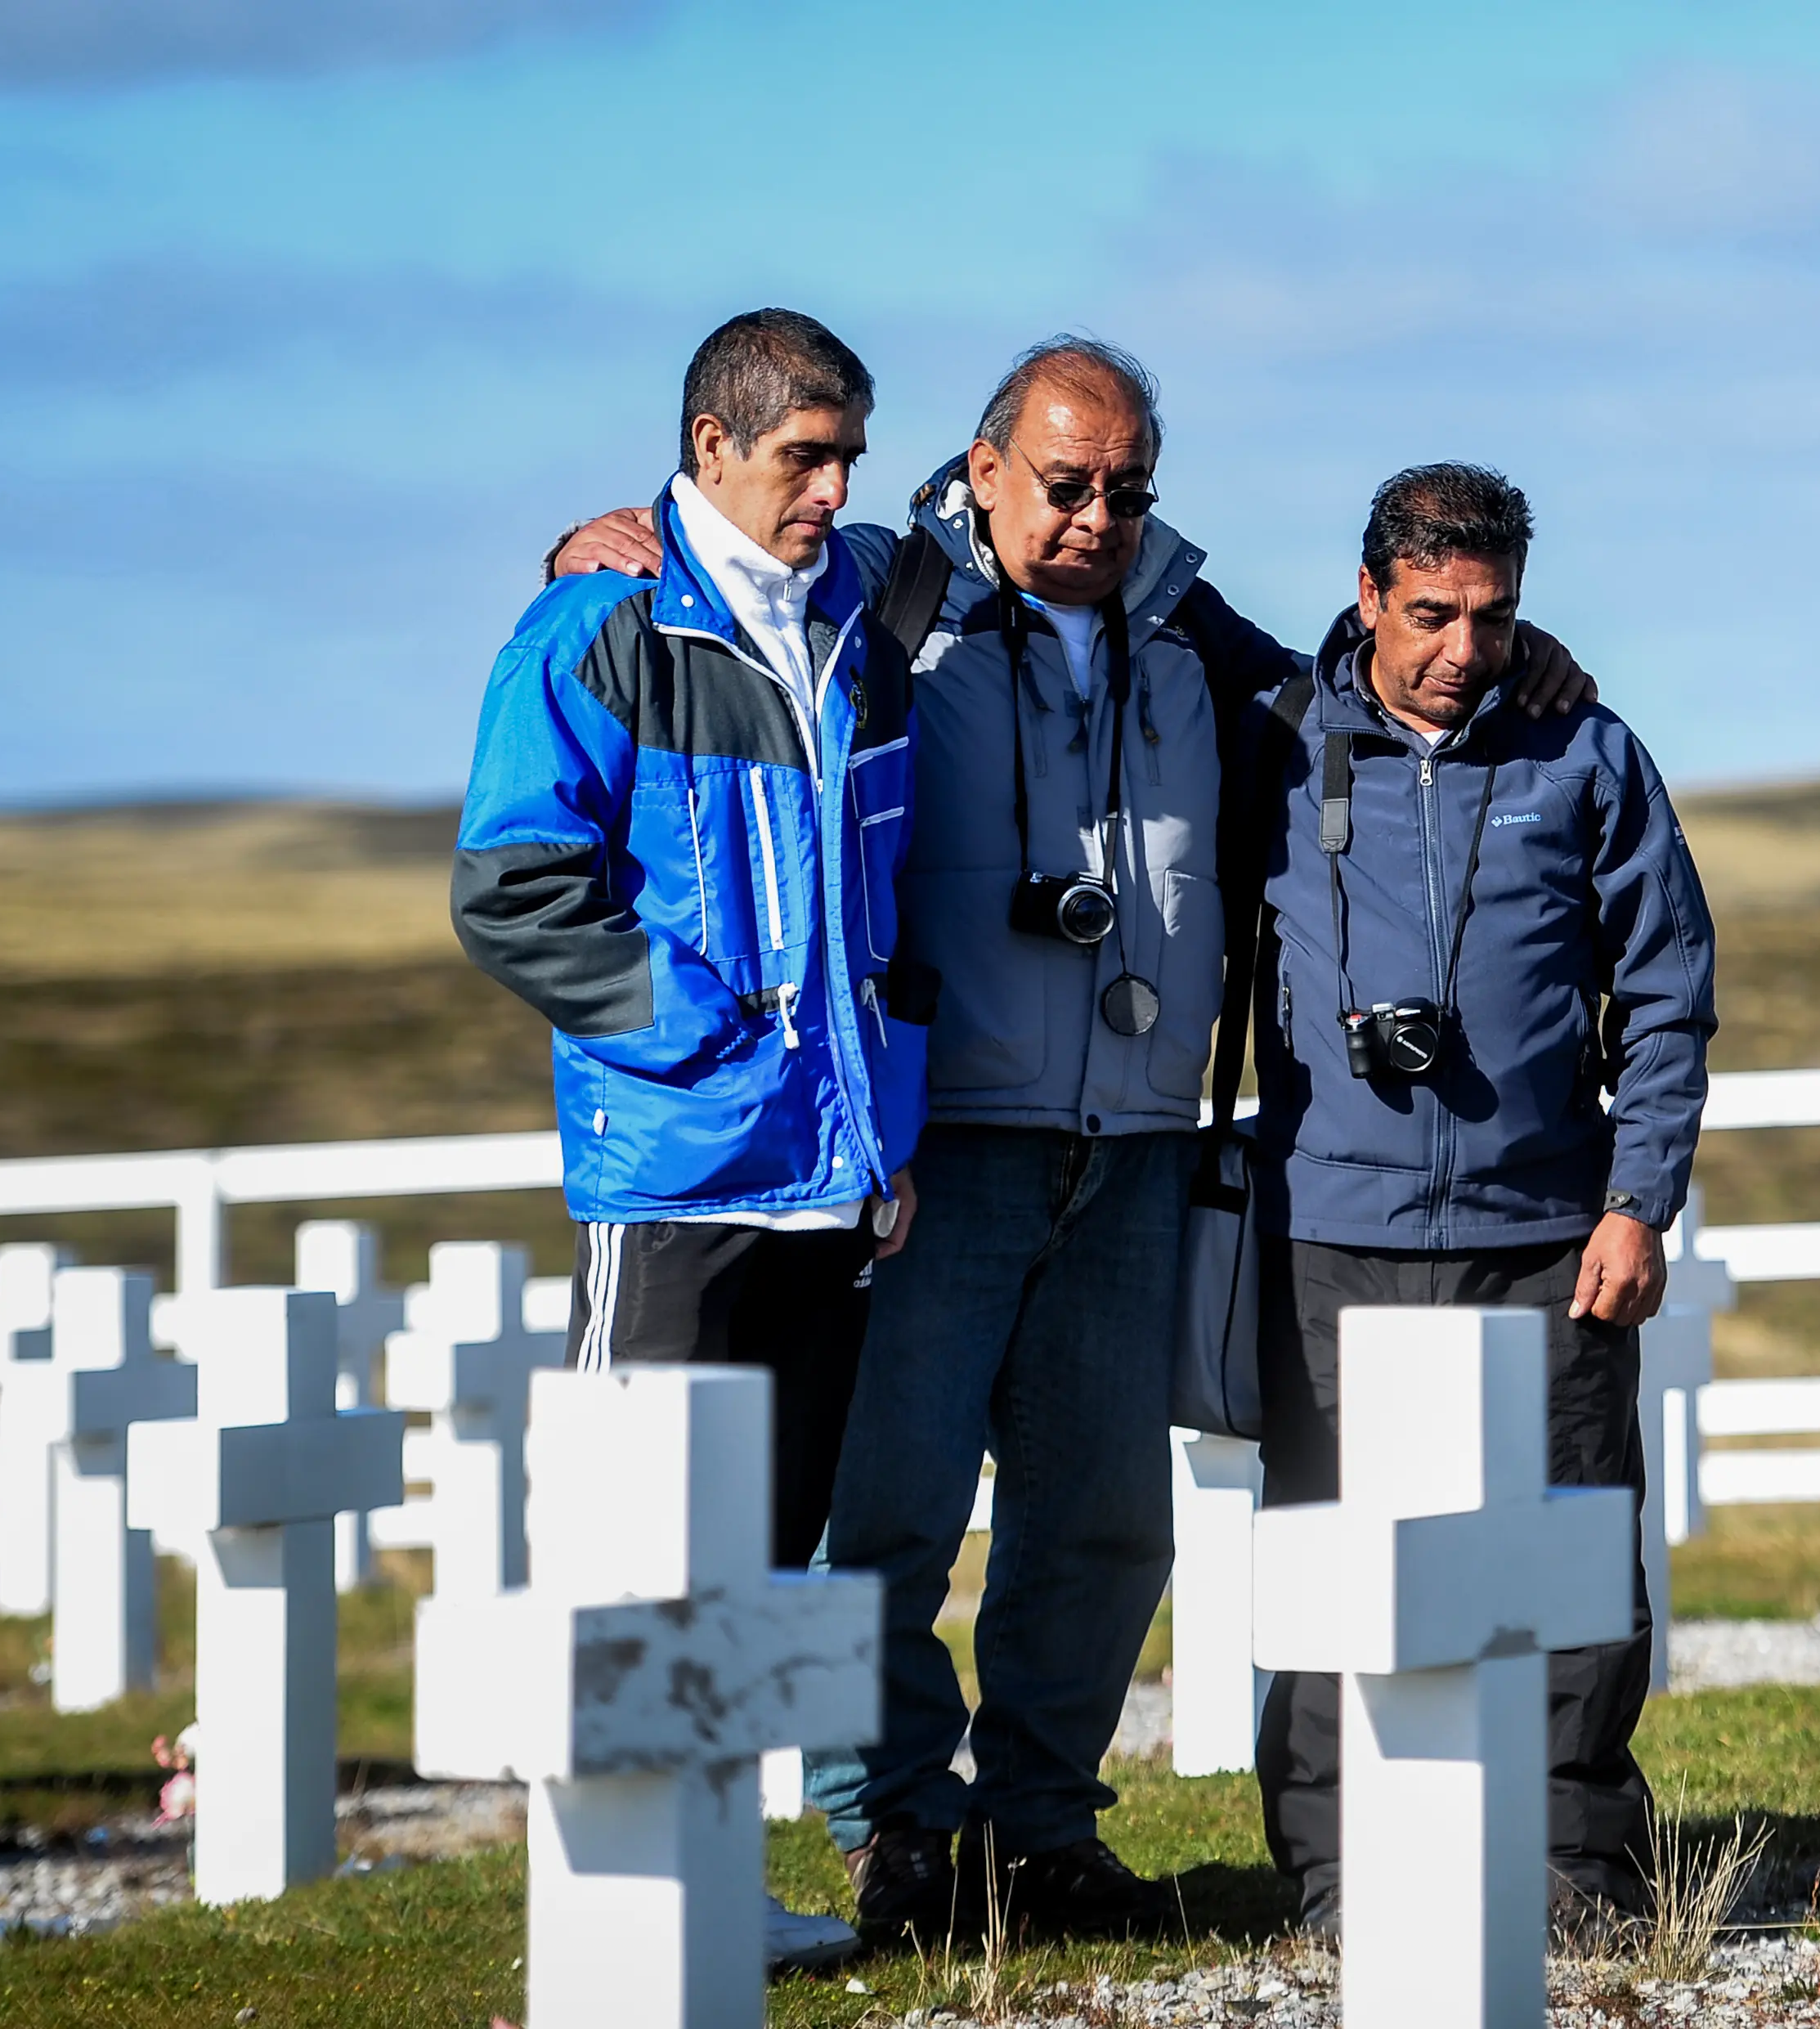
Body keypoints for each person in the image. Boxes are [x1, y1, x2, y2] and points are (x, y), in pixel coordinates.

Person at [541, 338, 1597, 1946]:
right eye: (1063, 483)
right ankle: (898, 1830)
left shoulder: (1189, 629)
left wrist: (1508, 658)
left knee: (1106, 1519)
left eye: (1127, 488)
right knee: (880, 1515)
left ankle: (1041, 1832)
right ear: (980, 471)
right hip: (933, 1150)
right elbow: (713, 579)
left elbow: (1345, 692)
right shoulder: (877, 600)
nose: (1097, 514)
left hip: (1135, 1148)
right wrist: (587, 541)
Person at [451, 307, 929, 1973]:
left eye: (851, 455)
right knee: (630, 1550)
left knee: (755, 1554)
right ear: (711, 448)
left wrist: (885, 1114)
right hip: (675, 1178)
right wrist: (708, 1037)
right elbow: (514, 885)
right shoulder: (595, 629)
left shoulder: (865, 608)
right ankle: (604, 1919)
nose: (834, 486)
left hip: (834, 1181)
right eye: (806, 454)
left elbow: (997, 513)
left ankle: (711, 1887)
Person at [1240, 463, 1719, 1933]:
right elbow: (1106, 585)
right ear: (1369, 593)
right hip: (1333, 1229)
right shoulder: (1264, 740)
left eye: (1494, 617)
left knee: (1578, 1551)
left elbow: (1667, 989)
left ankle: (1578, 1868)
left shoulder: (1588, 751)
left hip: (1548, 1232)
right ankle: (1335, 1875)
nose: (1464, 650)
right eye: (1432, 614)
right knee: (1328, 1557)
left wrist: (1640, 1200)